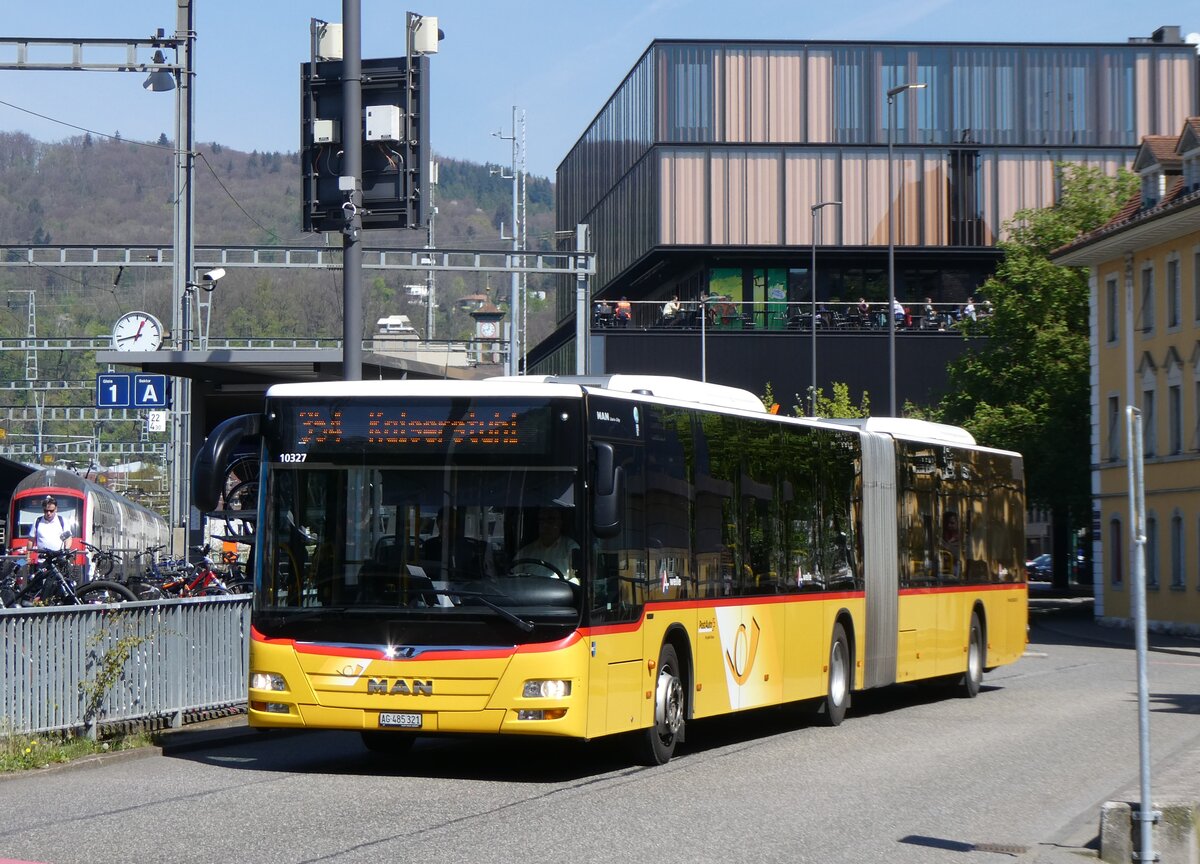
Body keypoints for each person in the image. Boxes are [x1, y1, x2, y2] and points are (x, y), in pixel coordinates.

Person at [514, 507, 580, 582]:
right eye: (542, 520)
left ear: (560, 522)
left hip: (560, 589)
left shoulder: (571, 547)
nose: (545, 525)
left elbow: (578, 580)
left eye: (551, 519)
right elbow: (513, 579)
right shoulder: (525, 552)